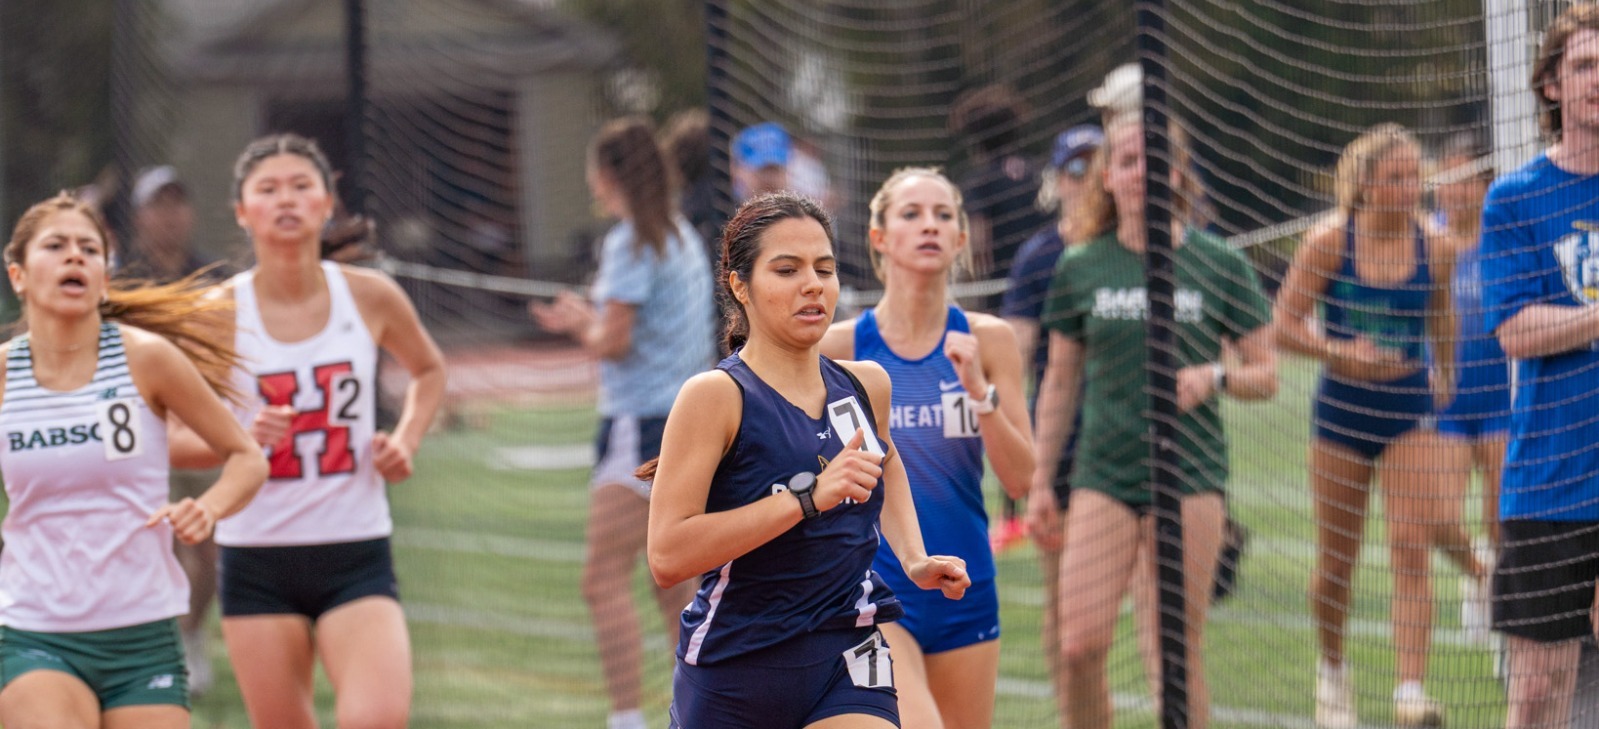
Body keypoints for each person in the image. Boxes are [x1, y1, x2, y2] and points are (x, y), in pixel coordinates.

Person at [643, 192, 971, 728]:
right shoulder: (715, 397)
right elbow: (668, 555)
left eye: (824, 268)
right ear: (739, 285)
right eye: (787, 269)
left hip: (848, 650)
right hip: (736, 671)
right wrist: (808, 499)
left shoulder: (867, 384)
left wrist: (914, 557)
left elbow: (883, 463)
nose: (813, 284)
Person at [171, 133, 446, 729]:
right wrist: (238, 437)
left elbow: (428, 369)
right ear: (242, 212)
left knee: (378, 717)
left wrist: (406, 440)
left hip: (356, 553)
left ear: (326, 203)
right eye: (267, 189)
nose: (286, 199)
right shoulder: (216, 314)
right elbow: (165, 435)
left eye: (301, 186)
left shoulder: (369, 296)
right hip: (255, 558)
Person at [1032, 111, 1276, 729]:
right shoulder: (1081, 264)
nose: (1142, 172)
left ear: (1178, 173)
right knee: (1078, 645)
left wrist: (1213, 377)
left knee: (1171, 656)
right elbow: (1059, 382)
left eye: (1156, 159)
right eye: (1129, 161)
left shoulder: (1218, 262)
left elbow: (1266, 373)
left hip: (1189, 476)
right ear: (1108, 176)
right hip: (1103, 475)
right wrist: (1038, 482)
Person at [0, 193, 267, 727]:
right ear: (19, 276)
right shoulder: (5, 374)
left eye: (89, 249)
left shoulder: (147, 359)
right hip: (35, 632)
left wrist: (209, 507)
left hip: (143, 637)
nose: (75, 256)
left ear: (104, 276)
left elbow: (245, 456)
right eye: (56, 246)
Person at [1274, 123, 1481, 728]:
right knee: (1336, 562)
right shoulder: (1329, 243)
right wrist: (1339, 353)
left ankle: (1410, 692)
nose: (1408, 187)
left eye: (1414, 176)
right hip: (1340, 412)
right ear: (1363, 185)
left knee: (1411, 545)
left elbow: (1441, 313)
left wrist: (1445, 371)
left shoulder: (1435, 248)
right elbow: (1283, 325)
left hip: (1408, 408)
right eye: (1394, 177)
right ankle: (1333, 672)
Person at [817, 168, 1033, 729]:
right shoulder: (841, 348)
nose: (929, 226)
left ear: (961, 239)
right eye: (911, 214)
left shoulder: (989, 340)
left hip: (966, 584)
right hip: (881, 587)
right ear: (880, 237)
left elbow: (1022, 481)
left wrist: (979, 394)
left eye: (943, 216)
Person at [531, 117, 715, 729]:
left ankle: (627, 718)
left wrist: (578, 322)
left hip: (642, 422)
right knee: (673, 584)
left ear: (607, 175)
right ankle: (695, 712)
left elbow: (613, 341)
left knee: (602, 579)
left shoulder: (632, 240)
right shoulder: (682, 235)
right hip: (686, 419)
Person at [1479, 6, 1599, 726]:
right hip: (1551, 477)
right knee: (1535, 698)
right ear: (1551, 86)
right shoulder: (1516, 197)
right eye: (1584, 66)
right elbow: (1516, 331)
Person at [123, 164, 230, 695]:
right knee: (146, 548)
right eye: (158, 205)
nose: (169, 215)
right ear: (141, 215)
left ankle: (190, 636)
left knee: (206, 549)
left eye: (177, 203)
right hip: (137, 436)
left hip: (200, 431)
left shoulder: (211, 275)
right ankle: (149, 648)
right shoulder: (120, 281)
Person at [1010, 123, 1101, 708]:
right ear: (1056, 180)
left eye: (1096, 167)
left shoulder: (1133, 250)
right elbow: (1016, 355)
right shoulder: (1040, 255)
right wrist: (1024, 460)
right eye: (1074, 169)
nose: (1085, 181)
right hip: (1064, 449)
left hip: (1132, 445)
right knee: (1066, 607)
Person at [1431, 132, 1504, 643]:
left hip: (1502, 404)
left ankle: (1497, 602)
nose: (1453, 190)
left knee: (1503, 523)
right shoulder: (1426, 241)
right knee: (1438, 518)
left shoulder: (1502, 237)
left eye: (1464, 179)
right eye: (1446, 179)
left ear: (1484, 184)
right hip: (1447, 405)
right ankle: (1480, 576)